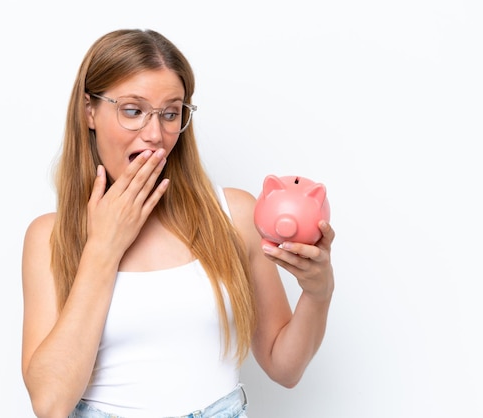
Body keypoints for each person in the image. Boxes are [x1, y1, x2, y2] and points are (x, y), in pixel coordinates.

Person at [21, 28, 335, 418]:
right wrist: (103, 247)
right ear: (89, 111)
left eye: (171, 113)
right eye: (133, 111)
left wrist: (317, 292)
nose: (155, 135)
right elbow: (50, 404)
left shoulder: (233, 215)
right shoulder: (48, 237)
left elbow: (284, 367)